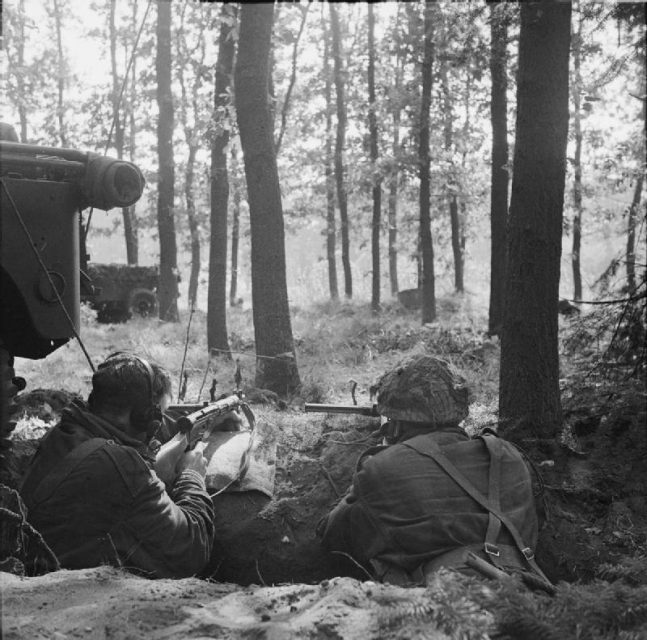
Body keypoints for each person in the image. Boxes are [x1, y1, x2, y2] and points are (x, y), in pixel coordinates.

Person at [317, 354, 548, 587]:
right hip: (529, 590)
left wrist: (370, 471)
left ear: (394, 423)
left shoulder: (382, 468)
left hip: (445, 603)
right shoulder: (507, 454)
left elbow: (331, 536)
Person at [19, 352, 215, 579]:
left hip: (34, 569)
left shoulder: (65, 433)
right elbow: (191, 550)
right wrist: (192, 475)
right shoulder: (118, 464)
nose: (157, 425)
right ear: (142, 417)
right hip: (63, 594)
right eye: (156, 418)